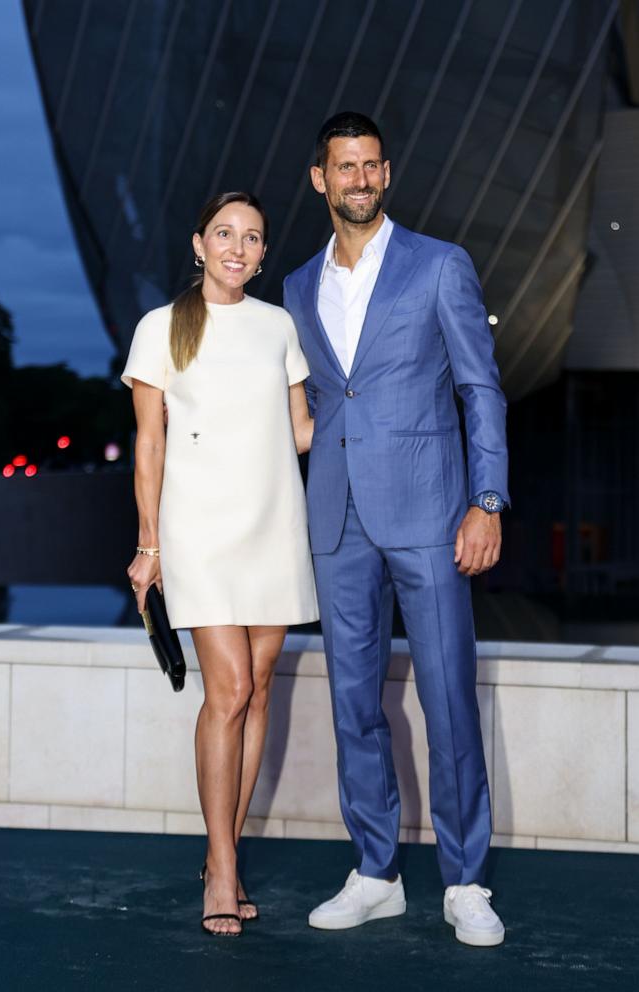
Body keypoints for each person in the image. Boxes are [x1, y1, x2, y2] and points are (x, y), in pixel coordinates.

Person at [283, 112, 509, 947]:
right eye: (346, 167)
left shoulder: (440, 266)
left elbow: (481, 390)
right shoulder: (299, 286)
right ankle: (375, 870)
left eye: (372, 165)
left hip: (429, 511)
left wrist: (487, 501)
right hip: (336, 517)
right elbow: (309, 406)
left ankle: (466, 880)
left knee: (448, 697)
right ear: (321, 179)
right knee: (354, 704)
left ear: (387, 173)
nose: (361, 180)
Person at [122, 191, 318, 938]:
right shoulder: (162, 327)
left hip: (275, 522)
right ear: (199, 243)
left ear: (264, 255)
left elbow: (300, 430)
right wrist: (149, 544)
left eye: (254, 238)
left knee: (259, 690)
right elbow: (149, 444)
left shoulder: (278, 327)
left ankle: (220, 858)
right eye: (226, 234)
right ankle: (225, 871)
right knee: (229, 689)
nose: (239, 247)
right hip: (198, 528)